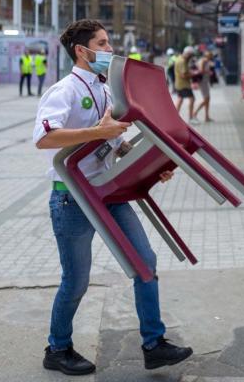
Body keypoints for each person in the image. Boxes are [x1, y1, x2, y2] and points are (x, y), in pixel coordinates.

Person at [33, 19, 193, 375]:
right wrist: (98, 131)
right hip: (72, 198)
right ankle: (57, 348)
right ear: (82, 50)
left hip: (110, 192)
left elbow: (115, 143)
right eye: (103, 44)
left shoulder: (106, 90)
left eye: (108, 43)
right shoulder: (63, 91)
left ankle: (154, 343)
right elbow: (44, 138)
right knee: (76, 281)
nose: (109, 50)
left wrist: (153, 167)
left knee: (145, 263)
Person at [173, 46, 197, 123]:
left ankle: (174, 118)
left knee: (180, 100)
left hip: (180, 84)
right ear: (188, 54)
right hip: (183, 84)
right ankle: (190, 118)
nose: (191, 57)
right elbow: (183, 75)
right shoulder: (182, 61)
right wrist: (193, 74)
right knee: (192, 99)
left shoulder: (180, 59)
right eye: (191, 55)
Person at [192, 51, 215, 123]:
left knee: (208, 99)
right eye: (210, 56)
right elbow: (201, 70)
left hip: (205, 82)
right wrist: (208, 72)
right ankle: (195, 113)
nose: (211, 58)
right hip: (202, 82)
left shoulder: (206, 61)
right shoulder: (203, 61)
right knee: (206, 99)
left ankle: (206, 117)